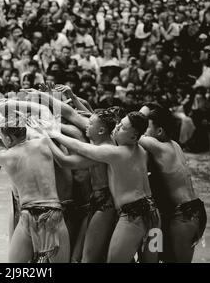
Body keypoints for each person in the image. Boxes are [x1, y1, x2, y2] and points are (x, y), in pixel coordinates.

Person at [44, 111, 160, 263]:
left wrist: (50, 134)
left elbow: (79, 147)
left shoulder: (116, 153)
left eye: (122, 127)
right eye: (119, 123)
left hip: (133, 217)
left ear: (133, 136)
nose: (117, 128)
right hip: (154, 217)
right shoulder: (142, 151)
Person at [0, 104, 70, 263]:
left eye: (2, 137)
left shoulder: (7, 156)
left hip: (27, 215)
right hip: (53, 213)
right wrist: (4, 122)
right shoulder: (43, 143)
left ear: (8, 139)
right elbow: (26, 130)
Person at [139, 108, 206, 262]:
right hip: (195, 210)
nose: (144, 131)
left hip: (184, 214)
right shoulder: (175, 145)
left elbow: (131, 133)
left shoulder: (157, 146)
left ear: (160, 131)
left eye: (147, 127)